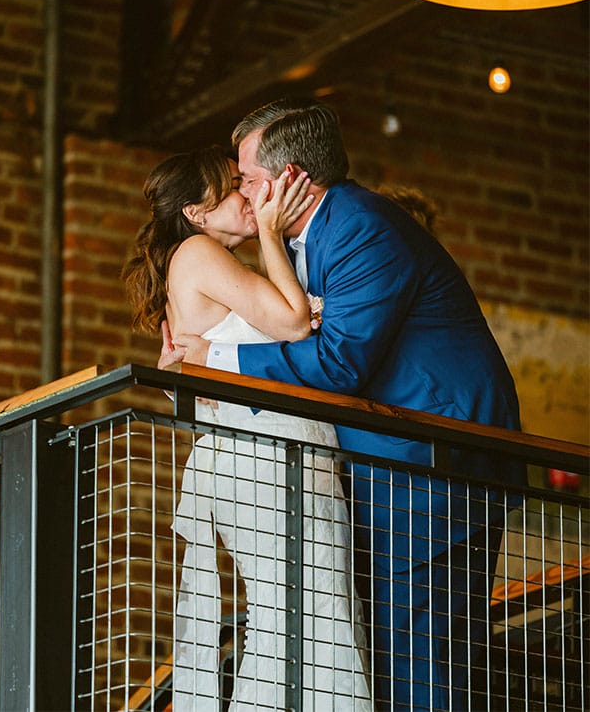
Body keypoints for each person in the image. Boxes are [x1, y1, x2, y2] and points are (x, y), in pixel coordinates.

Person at [162, 98, 524, 711]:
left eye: (248, 180)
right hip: (374, 470)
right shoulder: (292, 245)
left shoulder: (362, 226)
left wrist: (213, 362)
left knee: (422, 661)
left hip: (435, 467)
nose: (246, 196)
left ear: (291, 177)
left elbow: (339, 364)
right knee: (371, 656)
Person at [122, 146, 371, 711]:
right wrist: (270, 229)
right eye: (233, 187)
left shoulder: (208, 261)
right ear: (197, 212)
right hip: (267, 465)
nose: (247, 195)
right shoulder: (197, 254)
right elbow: (290, 322)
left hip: (270, 460)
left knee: (293, 618)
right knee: (316, 612)